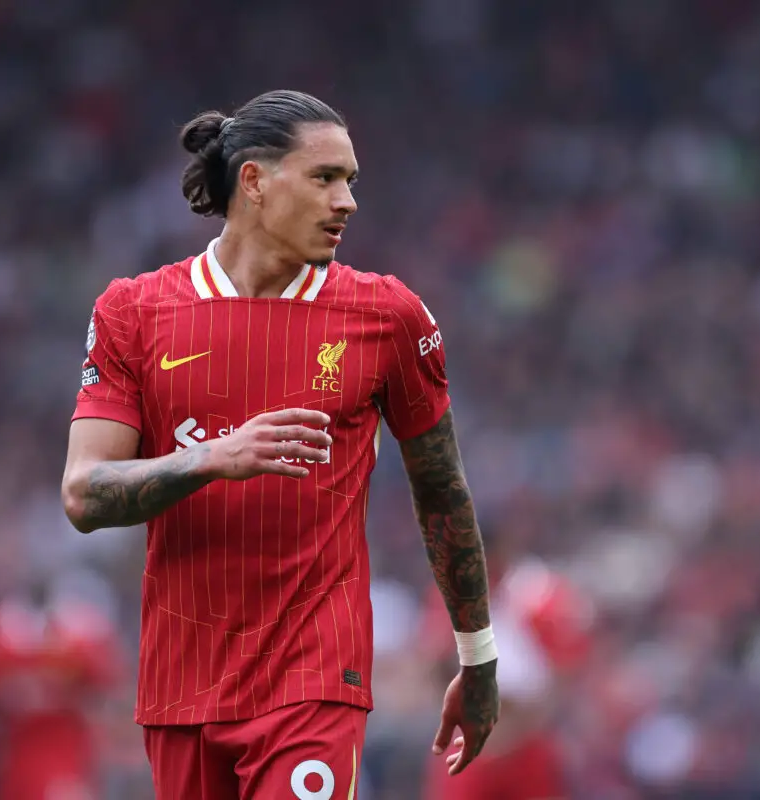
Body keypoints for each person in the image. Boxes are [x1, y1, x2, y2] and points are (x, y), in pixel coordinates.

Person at [60, 89, 500, 799]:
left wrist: (478, 659)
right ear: (255, 182)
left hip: (314, 681)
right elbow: (84, 494)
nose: (348, 201)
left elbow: (443, 492)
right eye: (325, 177)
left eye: (351, 180)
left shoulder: (385, 315)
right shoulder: (134, 313)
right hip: (182, 687)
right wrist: (210, 457)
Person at [0, 572, 121, 800]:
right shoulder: (2, 630)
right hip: (18, 752)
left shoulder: (79, 632)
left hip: (66, 748)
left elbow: (105, 682)